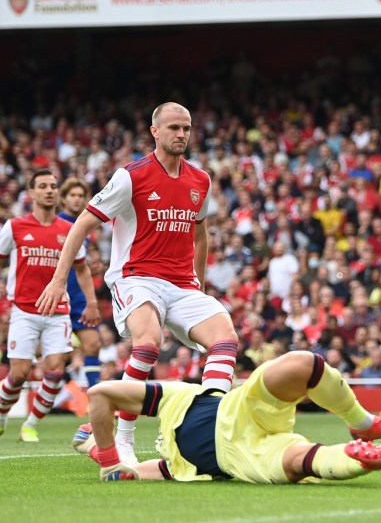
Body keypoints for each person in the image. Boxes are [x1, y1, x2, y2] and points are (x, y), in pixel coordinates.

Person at [37, 103, 240, 464]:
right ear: (155, 131)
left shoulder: (201, 180)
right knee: (147, 343)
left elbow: (200, 236)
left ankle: (210, 429)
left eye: (186, 128)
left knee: (226, 339)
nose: (181, 134)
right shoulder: (130, 176)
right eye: (174, 127)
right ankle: (123, 440)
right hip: (136, 277)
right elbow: (81, 224)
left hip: (182, 284)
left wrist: (200, 287)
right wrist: (57, 279)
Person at [70, 351, 381, 483]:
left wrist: (105, 457)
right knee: (301, 462)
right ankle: (358, 459)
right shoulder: (172, 467)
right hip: (242, 457)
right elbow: (128, 474)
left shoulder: (179, 395)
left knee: (303, 363)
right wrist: (105, 460)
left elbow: (102, 394)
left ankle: (362, 424)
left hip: (240, 409)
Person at [0, 169, 99, 443]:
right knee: (18, 375)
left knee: (54, 370)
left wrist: (91, 302)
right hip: (25, 311)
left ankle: (30, 424)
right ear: (31, 193)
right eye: (43, 186)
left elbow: (83, 269)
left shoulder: (69, 230)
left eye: (53, 185)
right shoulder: (15, 226)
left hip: (59, 312)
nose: (50, 190)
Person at [58, 177, 102, 389]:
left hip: (80, 298)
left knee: (93, 344)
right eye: (72, 195)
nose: (76, 200)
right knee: (54, 359)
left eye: (80, 196)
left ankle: (95, 399)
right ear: (63, 199)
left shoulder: (86, 227)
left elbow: (79, 264)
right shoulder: (56, 224)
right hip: (57, 297)